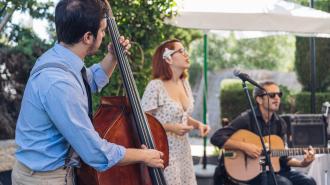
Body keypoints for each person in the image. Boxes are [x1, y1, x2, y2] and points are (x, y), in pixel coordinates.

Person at [12, 0, 164, 184]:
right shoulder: (59, 82)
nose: (104, 35)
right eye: (102, 31)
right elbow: (94, 152)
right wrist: (143, 155)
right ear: (87, 37)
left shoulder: (60, 59)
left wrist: (113, 57)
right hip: (44, 179)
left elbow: (88, 82)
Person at [211, 81, 316, 185]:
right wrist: (246, 147)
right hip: (252, 172)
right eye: (272, 95)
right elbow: (216, 137)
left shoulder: (280, 123)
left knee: (308, 182)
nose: (277, 98)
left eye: (279, 94)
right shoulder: (247, 118)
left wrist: (303, 163)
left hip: (275, 170)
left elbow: (283, 158)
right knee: (284, 184)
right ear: (259, 99)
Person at [141, 39, 211, 185]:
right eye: (181, 51)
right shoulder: (155, 86)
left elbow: (182, 116)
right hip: (164, 153)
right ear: (168, 58)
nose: (187, 54)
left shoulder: (184, 82)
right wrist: (170, 128)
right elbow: (142, 121)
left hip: (184, 151)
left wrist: (198, 125)